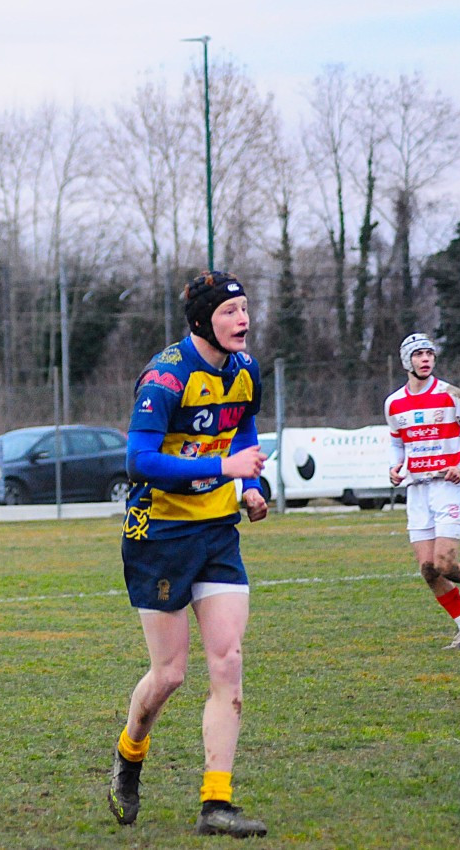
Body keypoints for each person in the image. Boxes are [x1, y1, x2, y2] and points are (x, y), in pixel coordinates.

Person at [108, 270, 270, 838]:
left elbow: (243, 429)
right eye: (229, 312)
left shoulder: (246, 370)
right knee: (170, 674)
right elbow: (140, 462)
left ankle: (216, 803)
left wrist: (250, 485)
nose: (242, 320)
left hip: (218, 532)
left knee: (227, 661)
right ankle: (130, 754)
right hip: (160, 536)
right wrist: (224, 467)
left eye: (244, 309)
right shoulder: (166, 376)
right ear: (202, 320)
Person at [386, 333, 460, 649]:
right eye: (418, 354)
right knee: (428, 569)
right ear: (406, 360)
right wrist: (395, 466)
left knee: (445, 564)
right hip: (417, 491)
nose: (425, 359)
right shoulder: (393, 403)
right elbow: (397, 442)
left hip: (449, 489)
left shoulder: (451, 395)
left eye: (429, 354)